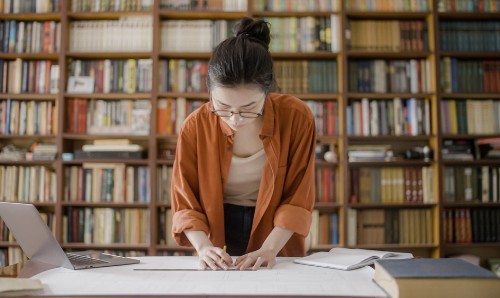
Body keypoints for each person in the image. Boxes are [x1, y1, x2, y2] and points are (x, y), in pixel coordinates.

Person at [171, 17, 316, 271]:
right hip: (215, 228)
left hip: (275, 231)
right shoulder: (195, 126)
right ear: (210, 93)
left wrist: (270, 248)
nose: (235, 120)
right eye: (223, 108)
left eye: (249, 108)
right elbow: (186, 201)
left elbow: (298, 196)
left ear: (267, 90)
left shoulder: (296, 117)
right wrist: (204, 248)